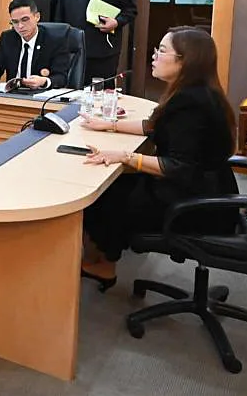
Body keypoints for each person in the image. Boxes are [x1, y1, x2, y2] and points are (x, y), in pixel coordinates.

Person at [79, 27, 237, 290]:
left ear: (185, 61)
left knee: (105, 194)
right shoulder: (195, 93)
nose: (153, 56)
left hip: (197, 204)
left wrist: (126, 157)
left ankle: (104, 264)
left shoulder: (190, 104)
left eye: (162, 51)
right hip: (208, 189)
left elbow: (177, 167)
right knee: (116, 187)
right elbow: (154, 127)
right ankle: (99, 259)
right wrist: (109, 124)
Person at [54, 0, 136, 86]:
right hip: (75, 49)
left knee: (101, 89)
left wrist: (116, 22)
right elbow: (59, 17)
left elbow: (131, 11)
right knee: (74, 88)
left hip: (105, 50)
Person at [0, 0, 70, 90]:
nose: (20, 26)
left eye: (25, 19)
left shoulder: (54, 41)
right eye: (15, 22)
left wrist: (44, 81)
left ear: (37, 17)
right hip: (13, 94)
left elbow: (61, 77)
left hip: (40, 94)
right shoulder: (7, 38)